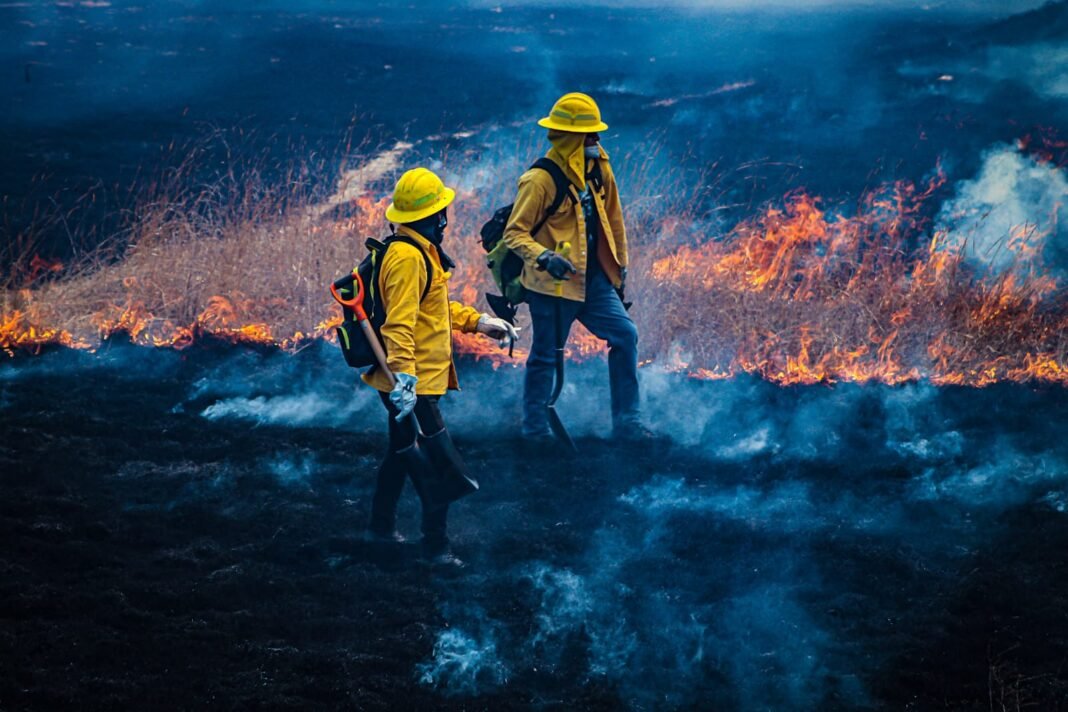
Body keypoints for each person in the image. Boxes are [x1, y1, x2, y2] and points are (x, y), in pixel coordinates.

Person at [363, 167, 517, 566]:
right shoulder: (407, 258)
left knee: (400, 453)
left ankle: (379, 528)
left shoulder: (417, 252)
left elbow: (431, 309)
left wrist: (479, 323)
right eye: (440, 212)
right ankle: (436, 547)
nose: (445, 219)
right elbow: (398, 322)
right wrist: (406, 380)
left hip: (409, 378)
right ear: (431, 217)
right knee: (438, 464)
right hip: (411, 382)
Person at [502, 91, 651, 442]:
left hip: (594, 282)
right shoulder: (539, 181)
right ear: (571, 138)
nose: (597, 140)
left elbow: (614, 220)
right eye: (590, 134)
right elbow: (514, 233)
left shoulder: (599, 168)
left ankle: (628, 422)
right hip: (552, 286)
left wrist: (620, 269)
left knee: (625, 335)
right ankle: (535, 431)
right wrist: (545, 257)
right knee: (544, 357)